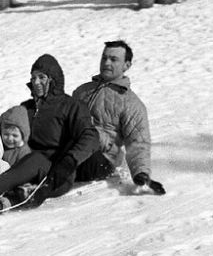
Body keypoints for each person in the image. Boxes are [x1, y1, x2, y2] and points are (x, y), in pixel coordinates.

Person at [0, 54, 100, 208]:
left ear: (53, 79)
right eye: (33, 78)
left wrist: (70, 161)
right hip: (20, 170)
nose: (36, 82)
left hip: (55, 176)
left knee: (35, 159)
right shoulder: (26, 108)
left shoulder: (71, 106)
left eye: (42, 77)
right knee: (0, 154)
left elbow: (91, 136)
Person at [70, 41, 163, 194]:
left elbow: (138, 142)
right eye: (104, 58)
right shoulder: (82, 91)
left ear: (126, 65)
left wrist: (141, 173)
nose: (106, 63)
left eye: (113, 59)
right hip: (74, 146)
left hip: (101, 159)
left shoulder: (131, 103)